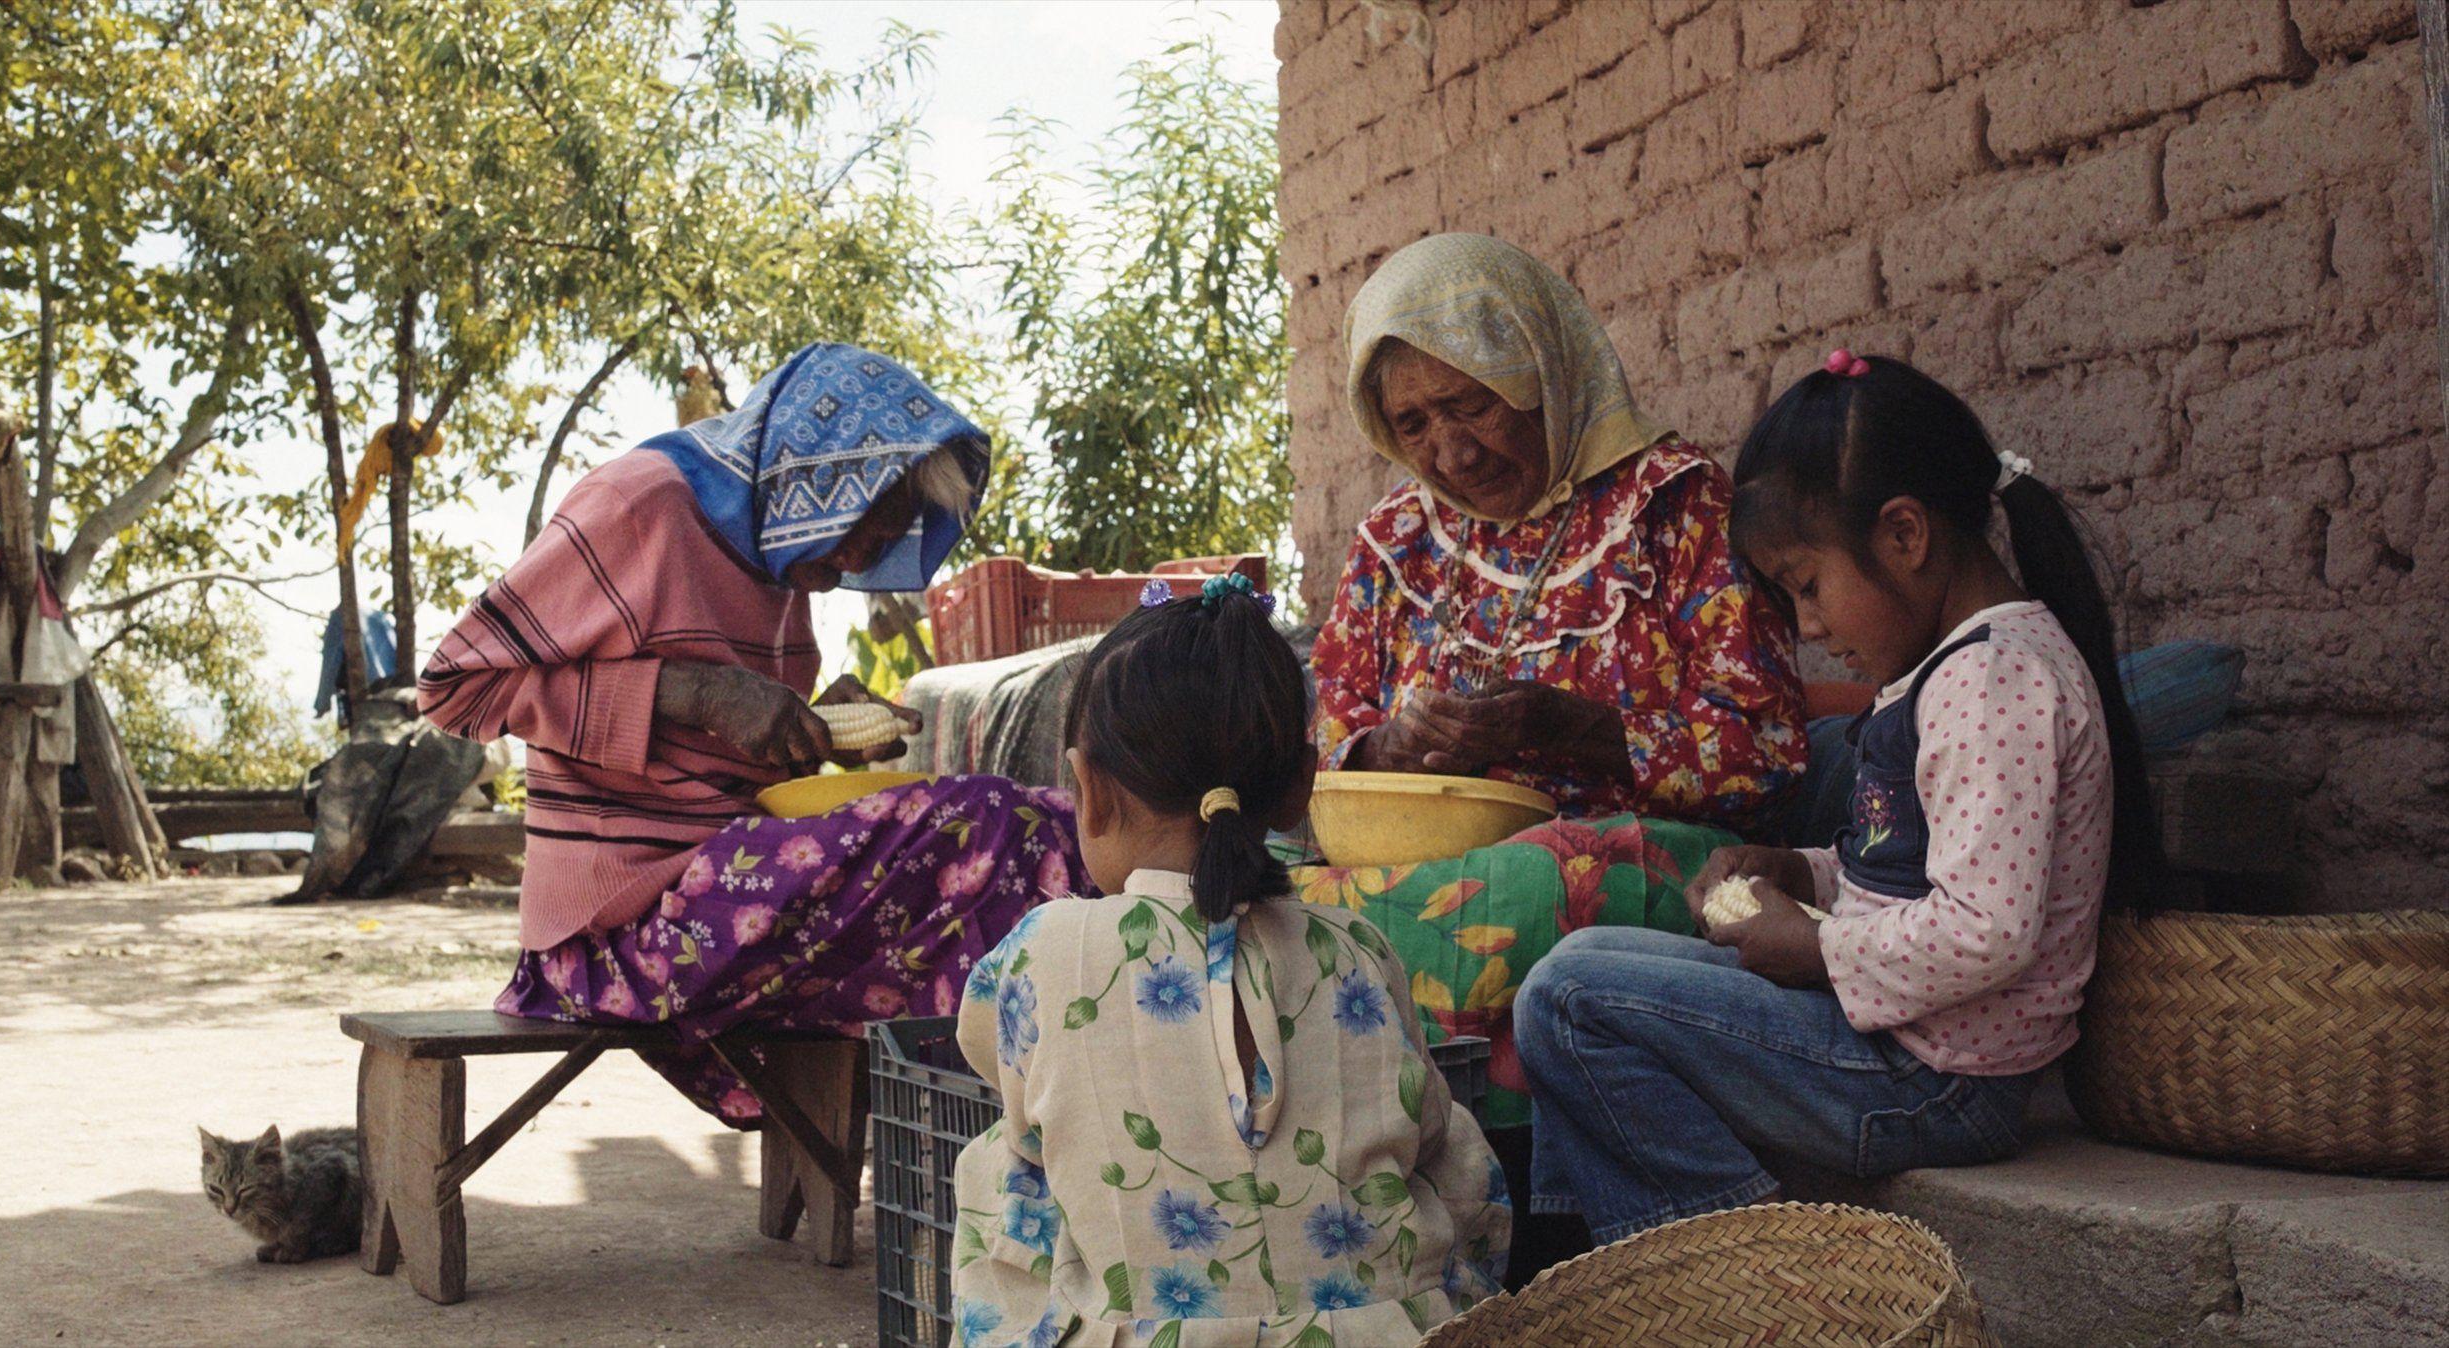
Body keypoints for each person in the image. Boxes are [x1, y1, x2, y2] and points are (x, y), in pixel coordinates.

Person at [1515, 350, 2165, 1245]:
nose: (1810, 627)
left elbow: (1987, 929)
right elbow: (1909, 863)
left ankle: (1732, 1269)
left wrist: (1815, 948)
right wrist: (1803, 873)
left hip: (1934, 1082)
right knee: (1581, 957)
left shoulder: (1994, 682)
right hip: (1897, 1044)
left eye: (1808, 587)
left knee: (1568, 999)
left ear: (1904, 536)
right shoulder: (1950, 670)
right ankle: (1637, 1255)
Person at [419, 343, 1085, 1127]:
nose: (858, 559)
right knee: (987, 823)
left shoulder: (779, 555)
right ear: (816, 478)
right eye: (861, 528)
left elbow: (720, 758)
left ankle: (1005, 1139)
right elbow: (454, 688)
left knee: (1038, 836)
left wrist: (813, 727)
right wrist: (695, 691)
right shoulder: (639, 508)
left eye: (882, 543)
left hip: (727, 894)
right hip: (614, 939)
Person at [1297, 234, 1805, 1129]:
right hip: (1431, 867)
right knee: (1249, 877)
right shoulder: (1394, 542)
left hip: (1680, 870)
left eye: (1471, 405)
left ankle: (1439, 1100)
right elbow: (1326, 754)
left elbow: (1769, 758)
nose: (1452, 453)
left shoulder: (1674, 506)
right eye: (1413, 425)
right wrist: (1392, 749)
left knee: (1545, 879)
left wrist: (1571, 729)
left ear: (1540, 368)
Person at [951, 575, 1510, 1346]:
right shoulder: (1360, 948)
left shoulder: (1045, 952)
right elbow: (1453, 1169)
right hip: (1389, 1333)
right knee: (1448, 1148)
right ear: (1301, 786)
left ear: (1089, 790)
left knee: (1005, 1159)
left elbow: (989, 1052)